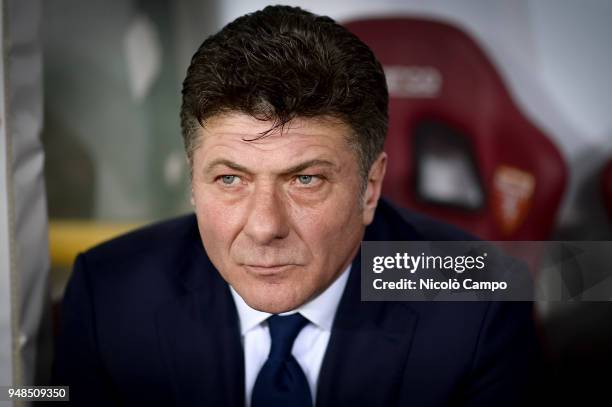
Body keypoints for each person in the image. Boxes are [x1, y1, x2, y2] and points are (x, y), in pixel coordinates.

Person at [52, 5, 541, 406]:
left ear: (370, 188)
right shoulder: (109, 294)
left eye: (305, 179)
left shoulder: (481, 301)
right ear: (194, 183)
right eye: (229, 178)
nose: (265, 227)